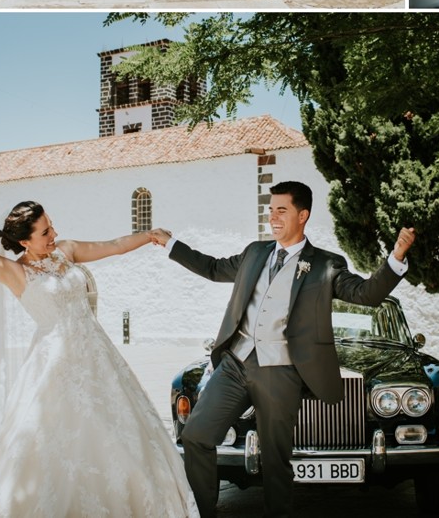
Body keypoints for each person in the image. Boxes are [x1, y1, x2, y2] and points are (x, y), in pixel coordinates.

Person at [0, 200, 198, 517]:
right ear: (24, 241)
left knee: (122, 444)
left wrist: (148, 235)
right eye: (45, 232)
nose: (54, 234)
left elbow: (113, 246)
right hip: (53, 368)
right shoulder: (15, 272)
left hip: (99, 360)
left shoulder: (66, 251)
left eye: (52, 226)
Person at [159, 181, 416, 518]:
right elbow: (211, 268)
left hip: (281, 371)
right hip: (236, 364)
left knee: (275, 461)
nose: (273, 217)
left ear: (303, 215)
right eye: (271, 209)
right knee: (195, 436)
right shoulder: (254, 253)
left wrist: (395, 258)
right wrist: (171, 243)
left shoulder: (326, 265)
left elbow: (366, 294)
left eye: (282, 210)